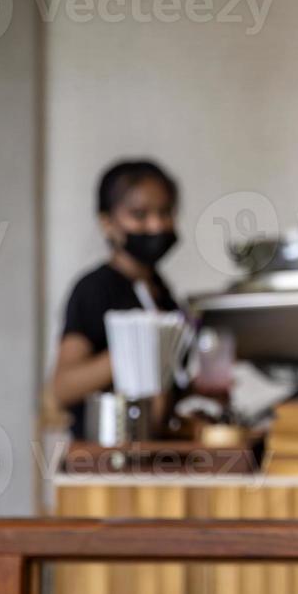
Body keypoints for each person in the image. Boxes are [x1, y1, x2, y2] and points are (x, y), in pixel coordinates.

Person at [51, 159, 182, 437]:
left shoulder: (162, 291)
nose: (156, 225)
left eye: (165, 212)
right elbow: (63, 387)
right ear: (108, 222)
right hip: (104, 456)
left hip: (153, 452)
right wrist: (134, 347)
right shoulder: (95, 289)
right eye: (139, 214)